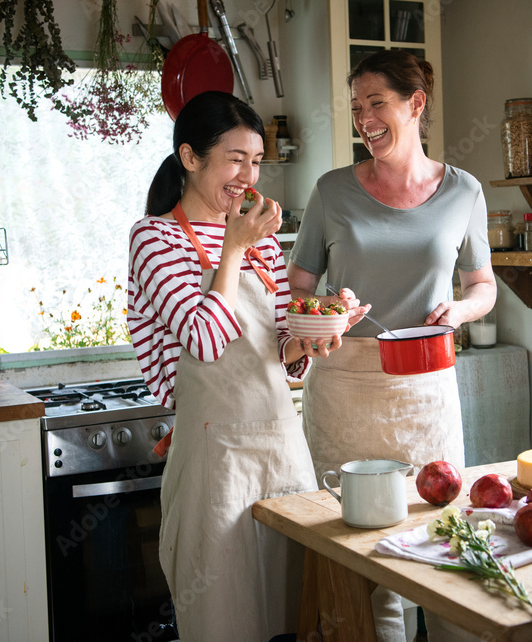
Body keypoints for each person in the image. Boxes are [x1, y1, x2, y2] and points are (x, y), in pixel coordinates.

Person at [287, 50, 497, 641]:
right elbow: (298, 291)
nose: (365, 119)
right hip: (344, 387)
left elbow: (483, 286)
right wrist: (325, 317)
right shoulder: (331, 192)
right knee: (354, 554)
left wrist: (459, 309)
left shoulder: (464, 192)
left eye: (377, 103)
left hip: (426, 386)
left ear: (416, 104)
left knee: (439, 538)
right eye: (357, 108)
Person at [127, 91, 339, 641]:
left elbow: (279, 347)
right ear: (191, 157)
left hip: (281, 449)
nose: (249, 175)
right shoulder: (154, 240)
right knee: (224, 616)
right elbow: (205, 340)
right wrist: (234, 249)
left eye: (257, 160)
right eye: (235, 159)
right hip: (213, 461)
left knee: (295, 613)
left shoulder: (260, 241)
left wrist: (319, 333)